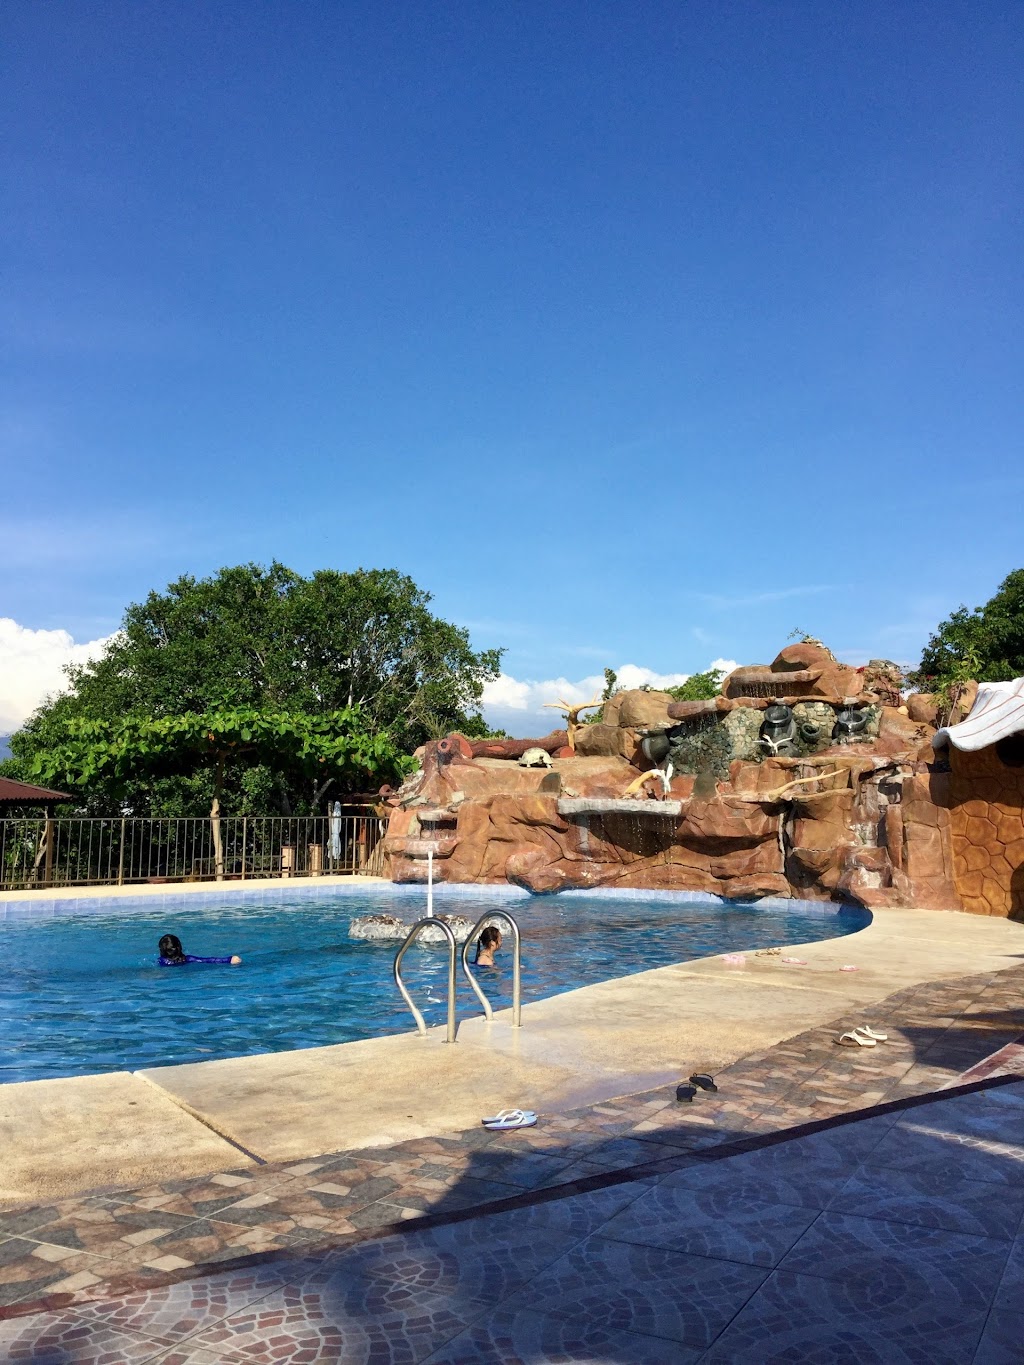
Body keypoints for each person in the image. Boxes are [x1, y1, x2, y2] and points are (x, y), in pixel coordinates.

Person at [158, 933, 241, 967]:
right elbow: (208, 960)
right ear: (179, 947)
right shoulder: (187, 959)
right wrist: (228, 959)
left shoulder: (161, 961)